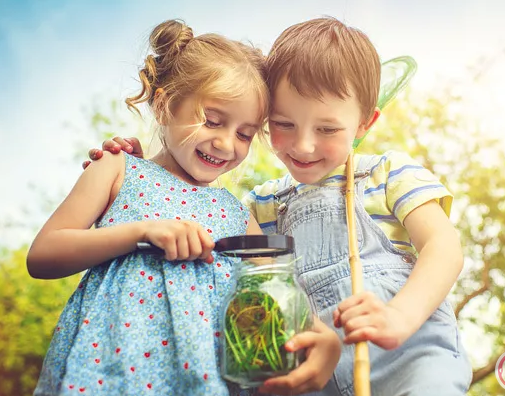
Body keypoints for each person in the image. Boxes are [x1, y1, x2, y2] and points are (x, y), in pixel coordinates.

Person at [87, 16, 473, 396]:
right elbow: (202, 225)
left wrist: (399, 317)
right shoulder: (261, 206)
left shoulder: (387, 174)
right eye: (283, 124)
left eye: (327, 129)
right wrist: (139, 170)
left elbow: (444, 249)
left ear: (363, 125)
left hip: (411, 358)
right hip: (311, 375)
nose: (303, 146)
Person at [29, 19, 339, 396]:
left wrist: (326, 340)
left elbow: (277, 283)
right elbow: (43, 255)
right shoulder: (118, 168)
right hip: (114, 369)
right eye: (212, 121)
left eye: (244, 134)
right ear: (164, 105)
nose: (226, 143)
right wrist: (139, 232)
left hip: (209, 379)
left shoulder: (236, 213)